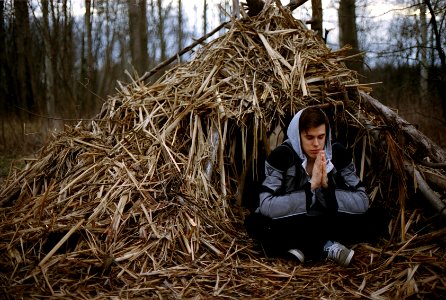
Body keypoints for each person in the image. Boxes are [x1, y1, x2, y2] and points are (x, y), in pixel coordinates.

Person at [244, 107, 388, 266]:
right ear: (298, 136)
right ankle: (326, 246)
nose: (316, 144)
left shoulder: (338, 153)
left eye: (321, 136)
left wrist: (326, 188)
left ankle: (301, 246)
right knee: (255, 223)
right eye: (309, 137)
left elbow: (362, 201)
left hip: (328, 218)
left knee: (377, 218)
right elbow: (266, 205)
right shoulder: (281, 156)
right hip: (294, 220)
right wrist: (310, 188)